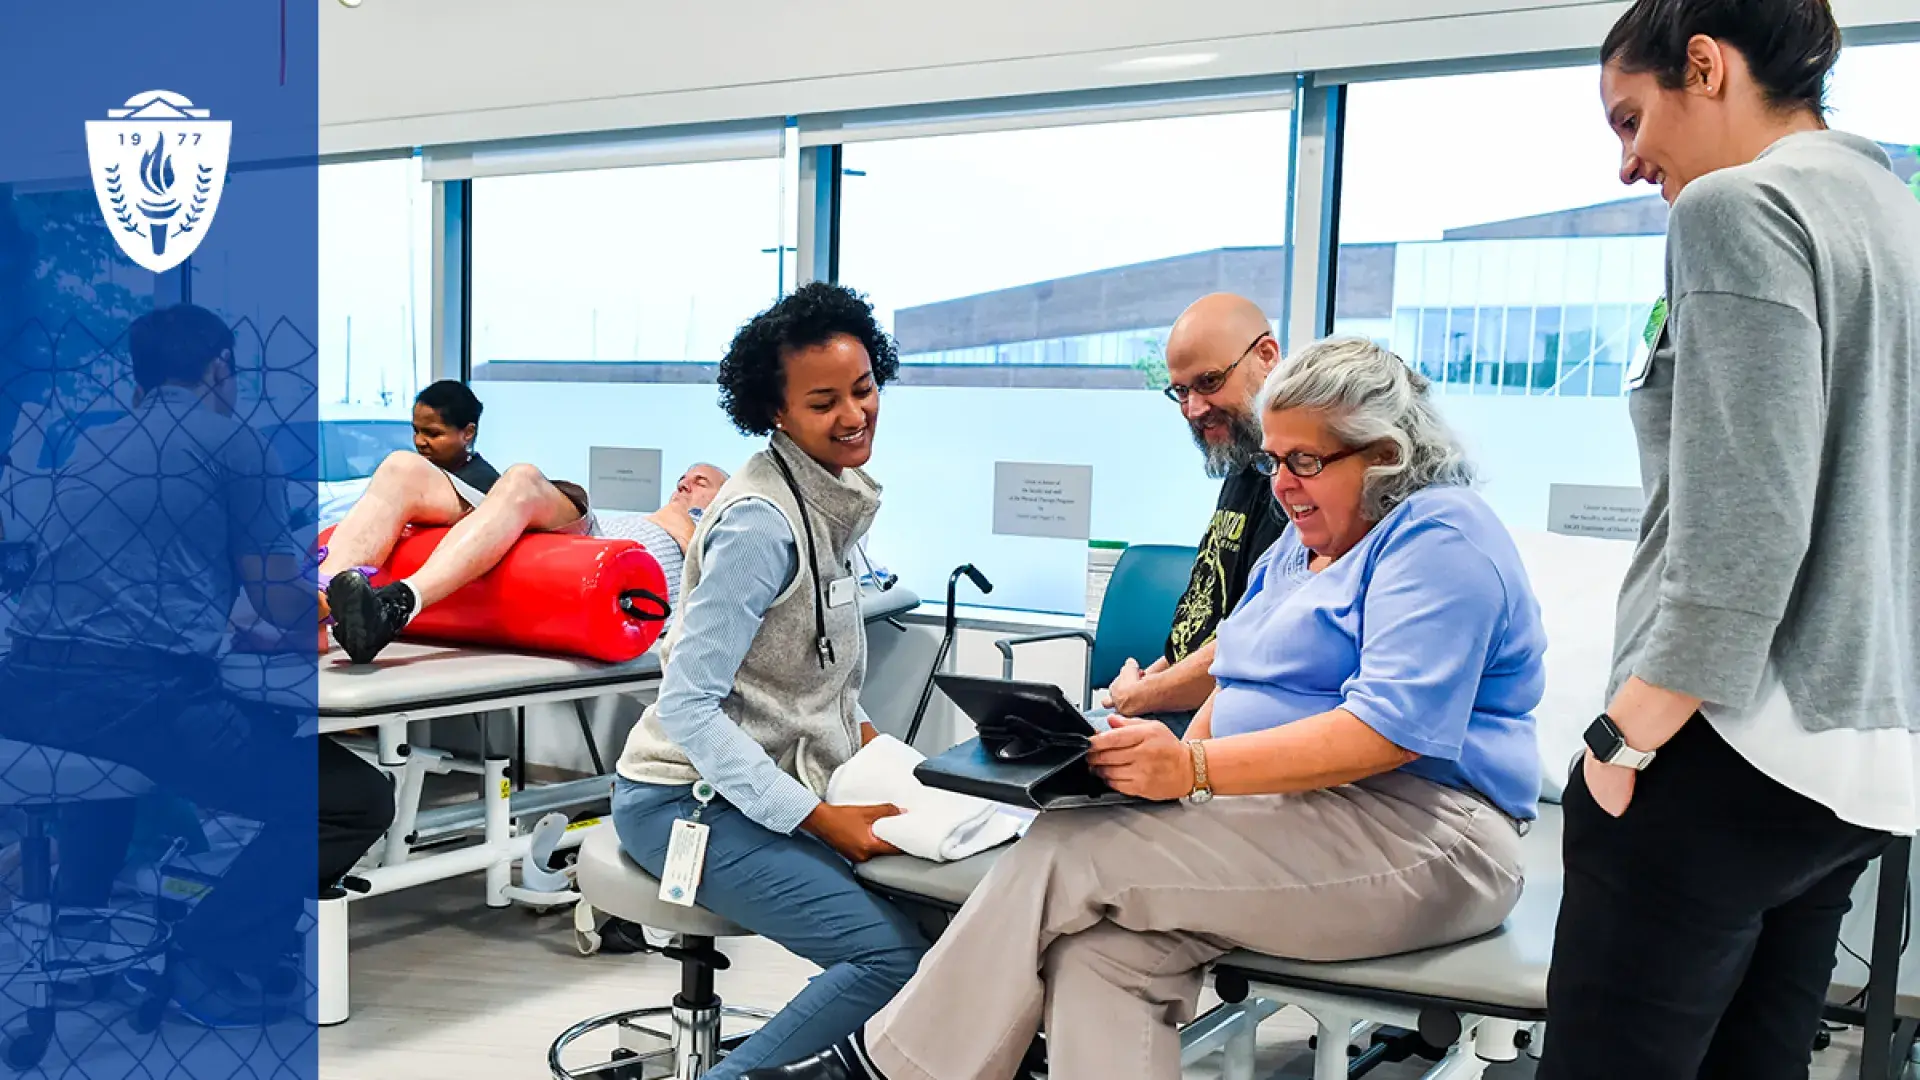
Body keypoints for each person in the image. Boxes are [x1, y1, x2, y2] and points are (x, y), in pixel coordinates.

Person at [750, 337, 1546, 1080]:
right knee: (1100, 956)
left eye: (1306, 461)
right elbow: (1233, 679)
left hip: (1430, 839)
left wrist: (1193, 772)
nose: (1283, 487)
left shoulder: (1440, 536)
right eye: (1274, 462)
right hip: (1294, 826)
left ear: (1387, 455)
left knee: (1071, 850)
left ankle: (883, 1068)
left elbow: (1388, 730)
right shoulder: (1301, 548)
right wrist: (1158, 771)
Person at [1538, 2, 1920, 1076]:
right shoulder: (1894, 215)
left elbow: (1747, 523)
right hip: (1859, 763)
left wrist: (1622, 741)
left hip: (1725, 741)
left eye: (1629, 119)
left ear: (1703, 66)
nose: (1627, 163)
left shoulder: (1735, 208)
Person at [0, 304, 394, 1026]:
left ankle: (78, 954)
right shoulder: (232, 440)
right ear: (220, 367)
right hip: (131, 696)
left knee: (111, 770)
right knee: (351, 798)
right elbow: (278, 601)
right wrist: (327, 613)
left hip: (24, 688)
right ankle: (212, 958)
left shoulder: (94, 446)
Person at [611, 282, 927, 1080]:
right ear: (776, 413)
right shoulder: (761, 522)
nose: (854, 414)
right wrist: (822, 818)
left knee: (944, 914)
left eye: (863, 389)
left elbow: (813, 685)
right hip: (682, 800)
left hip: (763, 789)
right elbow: (688, 704)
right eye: (824, 402)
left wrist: (918, 777)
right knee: (889, 956)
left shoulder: (831, 499)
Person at [319, 379, 725, 663]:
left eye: (701, 480)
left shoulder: (714, 533)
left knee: (523, 477)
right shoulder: (652, 517)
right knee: (399, 467)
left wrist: (698, 535)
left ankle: (396, 605)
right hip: (581, 534)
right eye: (683, 477)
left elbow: (716, 590)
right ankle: (316, 603)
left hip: (592, 545)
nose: (686, 482)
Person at [1099, 293, 1287, 731]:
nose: (1193, 409)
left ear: (1266, 356)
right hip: (1178, 706)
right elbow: (1209, 614)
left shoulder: (1288, 480)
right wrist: (1151, 680)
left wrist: (1141, 695)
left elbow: (1253, 642)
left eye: (1209, 381)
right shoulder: (1243, 461)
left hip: (1224, 721)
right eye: (1181, 390)